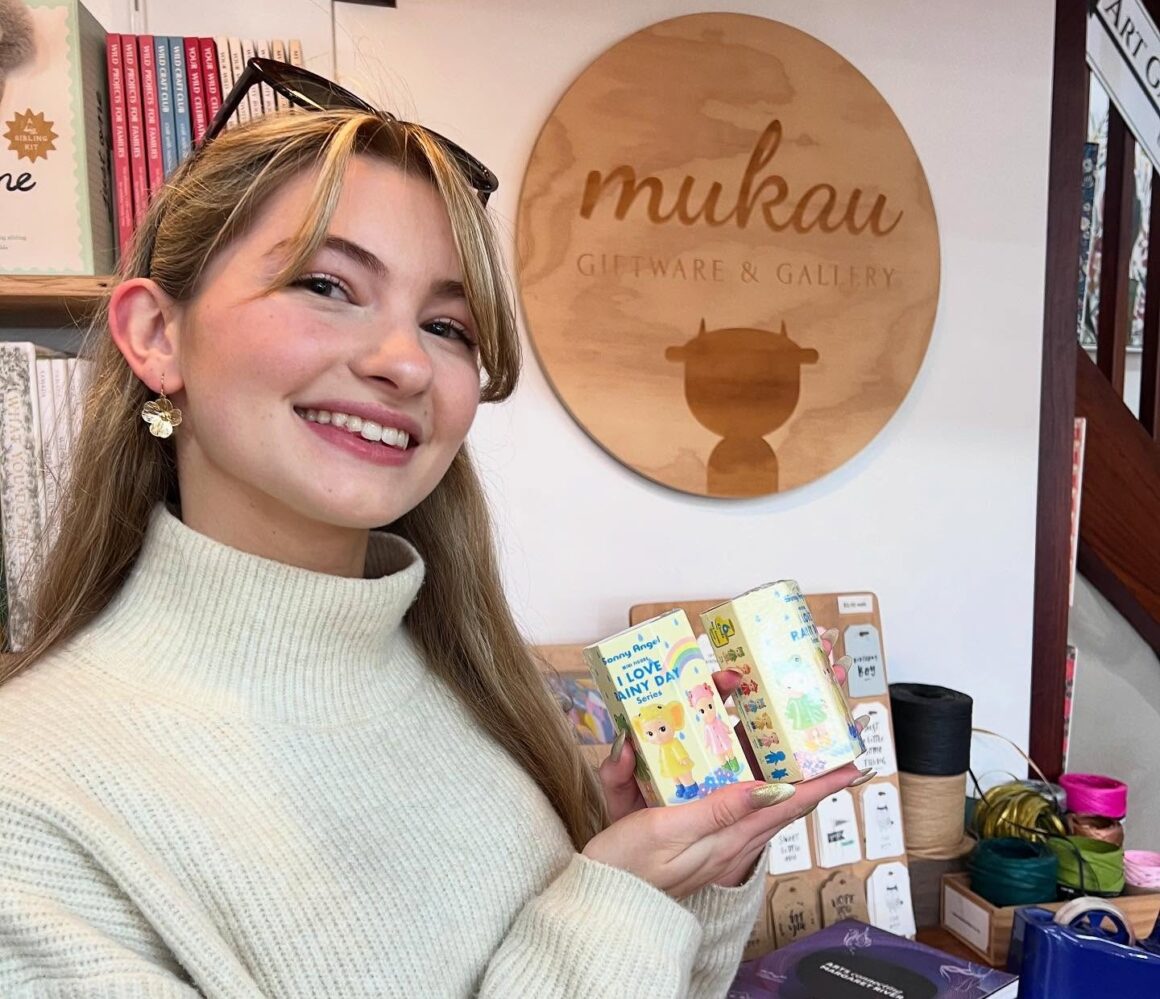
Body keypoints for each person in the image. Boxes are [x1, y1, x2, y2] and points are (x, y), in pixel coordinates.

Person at [0, 63, 873, 998]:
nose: (406, 362)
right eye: (328, 284)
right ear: (155, 334)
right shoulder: (33, 802)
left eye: (448, 326)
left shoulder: (476, 682)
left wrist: (684, 874)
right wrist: (614, 903)